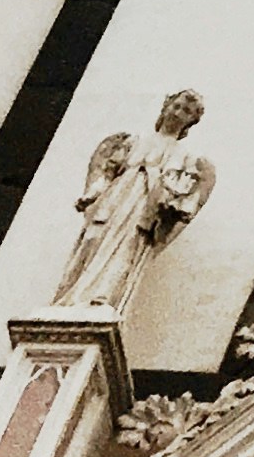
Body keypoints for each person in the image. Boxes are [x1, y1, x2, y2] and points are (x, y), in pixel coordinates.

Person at [59, 92, 213, 315]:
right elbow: (108, 172)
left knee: (127, 246)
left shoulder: (184, 156)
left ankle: (103, 298)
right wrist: (92, 194)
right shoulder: (134, 141)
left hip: (144, 205)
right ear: (166, 107)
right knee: (94, 239)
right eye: (177, 106)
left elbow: (182, 195)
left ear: (192, 121)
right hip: (116, 197)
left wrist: (172, 205)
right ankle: (74, 297)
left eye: (187, 112)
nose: (179, 113)